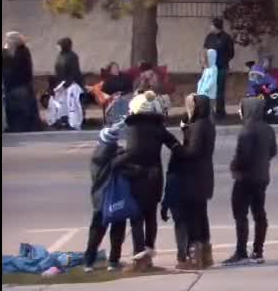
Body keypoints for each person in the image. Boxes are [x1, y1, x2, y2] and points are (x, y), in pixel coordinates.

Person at [112, 91, 181, 271]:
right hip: (156, 177)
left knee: (137, 219)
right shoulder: (158, 128)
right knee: (151, 217)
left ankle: (139, 256)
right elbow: (175, 145)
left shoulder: (133, 129)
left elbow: (132, 153)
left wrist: (116, 162)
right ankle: (149, 252)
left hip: (138, 179)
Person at [223, 97, 278, 266]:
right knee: (259, 213)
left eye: (241, 109)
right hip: (261, 177)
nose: (240, 112)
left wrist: (234, 166)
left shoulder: (247, 130)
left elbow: (243, 156)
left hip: (245, 178)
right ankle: (258, 251)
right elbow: (273, 151)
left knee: (240, 214)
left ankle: (241, 252)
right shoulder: (268, 129)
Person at [177, 94, 216, 269]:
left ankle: (195, 257)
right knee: (201, 213)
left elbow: (192, 151)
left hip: (195, 176)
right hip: (204, 174)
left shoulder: (199, 127)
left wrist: (178, 147)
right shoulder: (207, 124)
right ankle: (206, 254)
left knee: (193, 216)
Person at [83, 121, 128, 272]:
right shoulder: (119, 156)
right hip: (116, 198)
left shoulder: (96, 156)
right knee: (117, 229)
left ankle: (89, 262)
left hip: (99, 199)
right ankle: (113, 261)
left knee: (96, 230)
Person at [2, 31, 40, 133]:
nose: (7, 41)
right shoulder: (14, 51)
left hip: (19, 85)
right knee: (14, 108)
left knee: (20, 108)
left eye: (9, 39)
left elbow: (20, 68)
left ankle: (21, 128)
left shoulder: (21, 52)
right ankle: (17, 127)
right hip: (13, 85)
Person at [47, 38, 86, 130]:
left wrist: (66, 84)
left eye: (59, 45)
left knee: (72, 102)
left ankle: (74, 122)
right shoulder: (60, 56)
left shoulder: (72, 56)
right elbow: (58, 71)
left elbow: (74, 72)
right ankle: (61, 119)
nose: (57, 47)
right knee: (58, 102)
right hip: (61, 83)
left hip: (72, 83)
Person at [203, 18, 235, 120]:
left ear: (216, 26)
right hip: (209, 68)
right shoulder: (209, 37)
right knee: (207, 89)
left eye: (211, 25)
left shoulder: (226, 38)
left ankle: (220, 112)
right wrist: (204, 63)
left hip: (221, 68)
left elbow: (231, 53)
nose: (210, 27)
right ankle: (208, 112)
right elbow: (205, 50)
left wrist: (223, 60)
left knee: (219, 91)